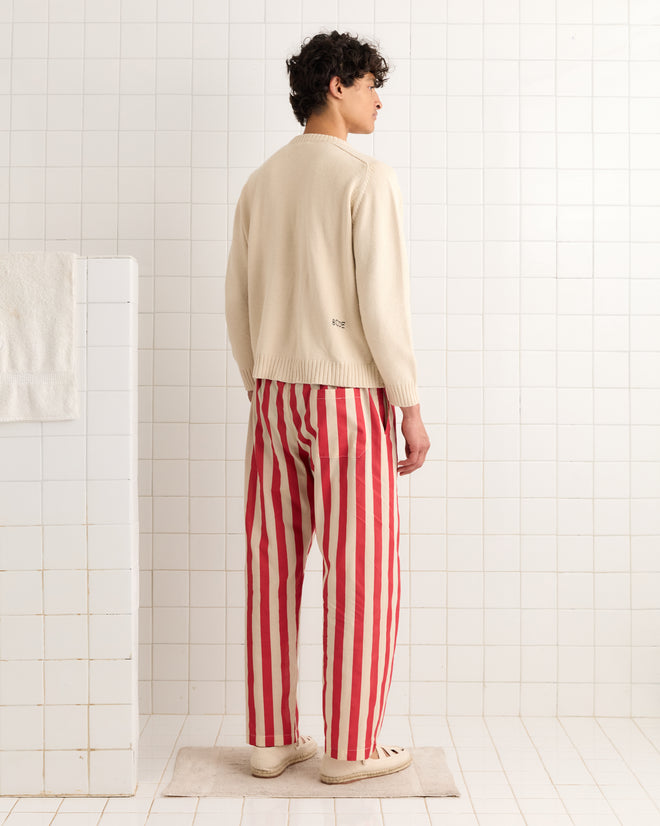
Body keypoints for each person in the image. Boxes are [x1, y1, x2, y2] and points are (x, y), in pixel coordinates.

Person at [225, 29, 430, 785]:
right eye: (374, 85)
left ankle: (272, 738)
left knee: (271, 567)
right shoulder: (365, 177)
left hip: (273, 395)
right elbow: (383, 303)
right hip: (348, 393)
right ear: (337, 85)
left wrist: (259, 379)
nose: (380, 101)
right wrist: (407, 403)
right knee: (364, 571)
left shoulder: (261, 181)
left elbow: (236, 299)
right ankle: (349, 746)